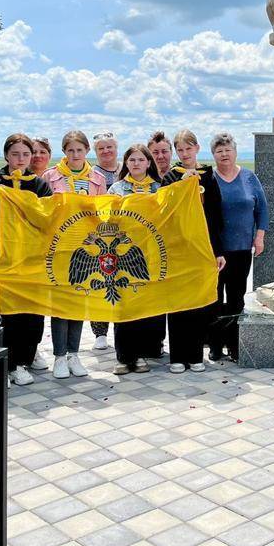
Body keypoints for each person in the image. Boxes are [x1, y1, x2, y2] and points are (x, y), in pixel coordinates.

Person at [0, 134, 53, 385]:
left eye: (25, 154)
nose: (20, 159)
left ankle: (26, 358)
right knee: (5, 316)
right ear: (6, 156)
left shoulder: (40, 185)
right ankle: (6, 364)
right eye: (15, 154)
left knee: (32, 315)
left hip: (32, 262)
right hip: (2, 261)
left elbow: (46, 223)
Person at [42, 130, 107, 378]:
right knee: (60, 303)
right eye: (70, 150)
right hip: (59, 248)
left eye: (80, 150)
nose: (75, 154)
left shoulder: (98, 178)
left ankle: (74, 354)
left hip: (86, 248)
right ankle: (59, 356)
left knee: (79, 301)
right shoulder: (51, 176)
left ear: (87, 151)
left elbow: (103, 212)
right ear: (64, 152)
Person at [161, 129, 226, 374]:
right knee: (177, 303)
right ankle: (177, 356)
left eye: (189, 148)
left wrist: (218, 251)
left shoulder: (209, 177)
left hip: (202, 249)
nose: (185, 153)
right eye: (180, 150)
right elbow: (165, 210)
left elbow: (216, 216)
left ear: (197, 148)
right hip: (178, 249)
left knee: (198, 303)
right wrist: (181, 185)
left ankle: (195, 354)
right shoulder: (170, 177)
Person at [210, 132, 268, 362]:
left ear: (235, 152)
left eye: (228, 149)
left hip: (242, 249)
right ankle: (215, 345)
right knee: (214, 298)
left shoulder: (249, 177)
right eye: (219, 150)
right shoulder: (209, 179)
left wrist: (259, 237)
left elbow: (262, 209)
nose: (224, 154)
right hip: (215, 252)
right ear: (213, 155)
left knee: (236, 298)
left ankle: (234, 345)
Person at [107, 143, 163, 375]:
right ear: (126, 163)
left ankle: (140, 354)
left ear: (149, 163)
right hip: (122, 254)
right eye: (132, 160)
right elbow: (107, 220)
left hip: (150, 254)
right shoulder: (116, 189)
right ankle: (123, 356)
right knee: (123, 305)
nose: (137, 164)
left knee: (144, 305)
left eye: (141, 160)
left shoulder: (159, 188)